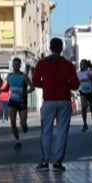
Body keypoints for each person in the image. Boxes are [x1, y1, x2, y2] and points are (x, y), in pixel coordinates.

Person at [31, 39, 77, 170]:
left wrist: (46, 85)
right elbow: (75, 85)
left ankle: (45, 162)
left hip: (49, 101)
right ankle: (57, 163)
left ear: (50, 48)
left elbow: (35, 81)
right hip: (64, 101)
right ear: (61, 49)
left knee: (46, 131)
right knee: (62, 131)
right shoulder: (68, 65)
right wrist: (65, 85)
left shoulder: (42, 63)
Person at [4, 56, 30, 149]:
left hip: (22, 102)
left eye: (17, 64)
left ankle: (24, 125)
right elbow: (7, 88)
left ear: (20, 65)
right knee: (12, 122)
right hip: (12, 101)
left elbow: (32, 87)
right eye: (14, 64)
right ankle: (17, 141)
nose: (15, 66)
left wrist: (24, 92)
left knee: (22, 123)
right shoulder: (9, 76)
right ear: (12, 65)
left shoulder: (23, 76)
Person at [76, 59, 92, 134]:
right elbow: (76, 83)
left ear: (86, 65)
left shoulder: (91, 72)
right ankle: (85, 124)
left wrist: (91, 78)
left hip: (91, 92)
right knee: (83, 108)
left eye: (82, 64)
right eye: (80, 64)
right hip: (83, 92)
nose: (80, 65)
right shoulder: (78, 74)